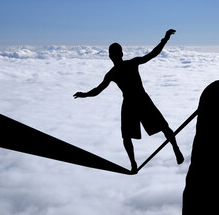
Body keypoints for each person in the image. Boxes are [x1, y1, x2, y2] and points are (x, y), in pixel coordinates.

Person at [73, 29, 184, 174]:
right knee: (130, 135)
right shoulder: (117, 71)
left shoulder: (127, 66)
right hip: (134, 103)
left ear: (116, 55)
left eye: (113, 54)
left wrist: (165, 39)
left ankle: (174, 149)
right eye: (112, 54)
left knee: (162, 127)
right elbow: (97, 90)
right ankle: (134, 163)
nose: (112, 57)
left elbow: (153, 54)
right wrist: (84, 94)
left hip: (139, 101)